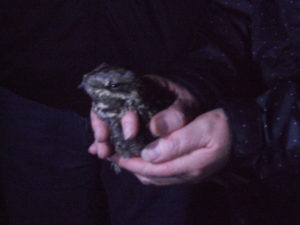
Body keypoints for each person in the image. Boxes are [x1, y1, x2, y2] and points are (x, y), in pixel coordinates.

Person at [0, 1, 299, 225]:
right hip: (33, 79)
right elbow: (247, 9)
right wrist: (196, 76)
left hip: (165, 92)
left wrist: (256, 128)